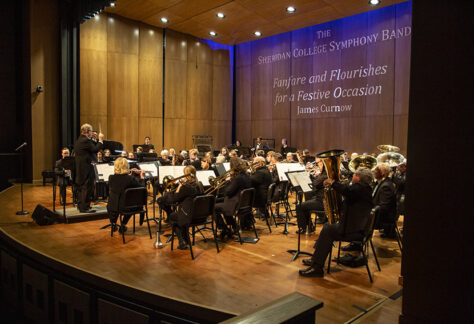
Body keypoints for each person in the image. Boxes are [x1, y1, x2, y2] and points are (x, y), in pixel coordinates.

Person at [299, 167, 374, 277]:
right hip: (359, 228)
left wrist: (333, 183)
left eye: (353, 175)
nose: (352, 177)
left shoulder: (359, 187)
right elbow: (349, 195)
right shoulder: (366, 188)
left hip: (354, 230)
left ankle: (317, 267)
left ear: (357, 177)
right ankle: (316, 259)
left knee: (327, 229)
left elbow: (347, 190)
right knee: (328, 227)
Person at [157, 165, 201, 249]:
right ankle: (186, 240)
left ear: (187, 175)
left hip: (188, 216)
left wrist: (180, 187)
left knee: (172, 217)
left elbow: (173, 200)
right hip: (197, 215)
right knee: (177, 215)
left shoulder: (186, 187)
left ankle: (182, 241)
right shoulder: (199, 184)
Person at [214, 157, 252, 240]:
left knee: (213, 208)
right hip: (243, 204)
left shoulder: (237, 178)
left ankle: (225, 229)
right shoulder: (247, 176)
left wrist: (228, 181)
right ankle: (235, 227)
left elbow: (228, 192)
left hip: (235, 204)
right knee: (220, 205)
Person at [107, 158, 146, 233]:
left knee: (112, 200)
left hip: (114, 207)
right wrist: (142, 177)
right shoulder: (130, 179)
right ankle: (123, 224)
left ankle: (113, 223)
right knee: (132, 204)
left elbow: (121, 182)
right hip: (127, 208)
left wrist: (129, 175)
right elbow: (141, 188)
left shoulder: (111, 178)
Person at [74, 123, 103, 213]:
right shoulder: (85, 141)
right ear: (87, 131)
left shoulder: (81, 139)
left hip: (82, 168)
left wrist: (94, 139)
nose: (92, 132)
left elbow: (92, 146)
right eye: (91, 131)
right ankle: (84, 208)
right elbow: (95, 149)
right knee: (87, 187)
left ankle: (83, 206)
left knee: (83, 188)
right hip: (86, 168)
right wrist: (101, 140)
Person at [295, 158, 328, 232]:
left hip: (322, 202)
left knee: (299, 206)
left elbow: (314, 185)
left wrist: (308, 175)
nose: (318, 166)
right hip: (320, 199)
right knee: (305, 204)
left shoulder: (324, 176)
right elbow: (316, 183)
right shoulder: (324, 174)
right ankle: (309, 226)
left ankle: (303, 228)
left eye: (319, 164)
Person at [372, 163, 397, 238]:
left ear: (382, 172)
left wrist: (371, 211)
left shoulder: (386, 186)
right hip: (380, 213)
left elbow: (384, 207)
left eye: (376, 170)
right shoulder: (382, 182)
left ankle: (357, 242)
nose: (374, 171)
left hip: (384, 218)